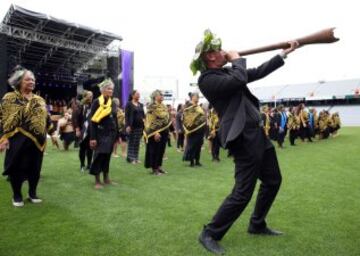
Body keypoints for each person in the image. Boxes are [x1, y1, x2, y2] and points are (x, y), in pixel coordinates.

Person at [191, 29, 299, 254]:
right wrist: (237, 58)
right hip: (242, 138)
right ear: (210, 56)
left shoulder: (229, 72)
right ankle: (210, 233)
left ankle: (257, 224)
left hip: (257, 133)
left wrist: (283, 54)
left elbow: (255, 72)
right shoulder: (207, 80)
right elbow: (240, 76)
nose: (223, 52)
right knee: (242, 192)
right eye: (219, 50)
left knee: (273, 180)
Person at [0, 66, 57, 207]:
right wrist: (3, 138)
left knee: (35, 169)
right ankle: (17, 195)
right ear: (19, 81)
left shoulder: (40, 100)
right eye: (28, 79)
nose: (31, 82)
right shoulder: (9, 98)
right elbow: (2, 119)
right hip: (17, 139)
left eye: (33, 79)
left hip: (38, 141)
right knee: (16, 169)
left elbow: (47, 119)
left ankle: (32, 193)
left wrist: (53, 133)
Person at [89, 79, 118, 189]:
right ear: (102, 90)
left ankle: (106, 178)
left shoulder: (113, 103)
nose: (111, 90)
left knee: (107, 156)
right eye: (108, 88)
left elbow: (115, 119)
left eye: (112, 89)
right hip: (100, 133)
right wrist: (93, 138)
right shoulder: (97, 102)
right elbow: (93, 121)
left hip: (111, 134)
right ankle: (97, 180)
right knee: (99, 156)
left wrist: (117, 135)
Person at [143, 90, 172, 175]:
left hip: (164, 131)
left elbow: (166, 118)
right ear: (156, 97)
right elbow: (149, 120)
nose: (162, 96)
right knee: (154, 150)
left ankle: (159, 166)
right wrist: (155, 132)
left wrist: (168, 130)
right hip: (155, 131)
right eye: (160, 95)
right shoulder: (152, 106)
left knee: (161, 150)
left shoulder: (163, 106)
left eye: (162, 95)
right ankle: (154, 168)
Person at [182, 92, 207, 167]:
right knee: (192, 145)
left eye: (198, 97)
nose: (197, 98)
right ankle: (191, 161)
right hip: (192, 129)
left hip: (200, 129)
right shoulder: (189, 106)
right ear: (192, 97)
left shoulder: (199, 107)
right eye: (196, 97)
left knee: (199, 145)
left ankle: (197, 161)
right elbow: (187, 117)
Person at [73, 90, 94, 172]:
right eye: (89, 96)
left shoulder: (93, 106)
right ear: (85, 96)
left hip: (91, 131)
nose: (91, 97)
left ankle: (89, 165)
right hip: (82, 131)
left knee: (90, 148)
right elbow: (75, 118)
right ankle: (82, 165)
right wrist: (77, 129)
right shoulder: (80, 106)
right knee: (82, 148)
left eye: (92, 96)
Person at [125, 90, 145, 164]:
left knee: (137, 142)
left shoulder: (141, 104)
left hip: (140, 126)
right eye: (137, 94)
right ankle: (131, 158)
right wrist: (127, 126)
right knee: (131, 142)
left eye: (139, 94)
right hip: (132, 126)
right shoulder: (129, 104)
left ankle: (136, 158)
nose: (138, 95)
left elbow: (143, 115)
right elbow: (126, 116)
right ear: (133, 95)